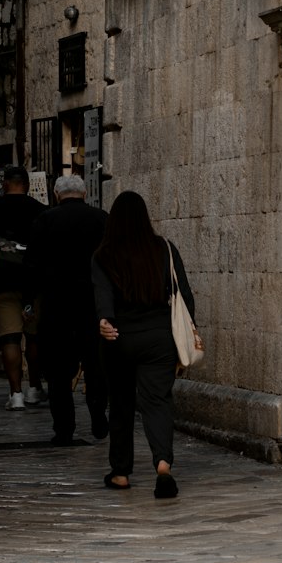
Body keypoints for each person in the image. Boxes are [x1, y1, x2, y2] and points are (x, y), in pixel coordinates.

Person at [92, 189, 195, 499]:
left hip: (120, 338)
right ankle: (163, 464)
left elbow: (102, 295)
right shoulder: (164, 249)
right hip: (159, 337)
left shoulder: (103, 255)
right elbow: (184, 296)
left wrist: (105, 321)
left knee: (121, 403)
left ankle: (121, 472)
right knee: (157, 401)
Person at [30, 174, 109, 445]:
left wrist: (32, 301)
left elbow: (33, 264)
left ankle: (64, 428)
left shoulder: (45, 221)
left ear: (56, 193)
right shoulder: (102, 219)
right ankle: (98, 416)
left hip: (56, 305)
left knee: (58, 371)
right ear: (85, 193)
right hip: (92, 304)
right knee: (95, 365)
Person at [0, 165, 48, 410]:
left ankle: (16, 394)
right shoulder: (40, 210)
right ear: (27, 184)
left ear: (4, 184)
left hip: (3, 278)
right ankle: (34, 387)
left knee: (9, 337)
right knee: (33, 336)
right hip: (33, 279)